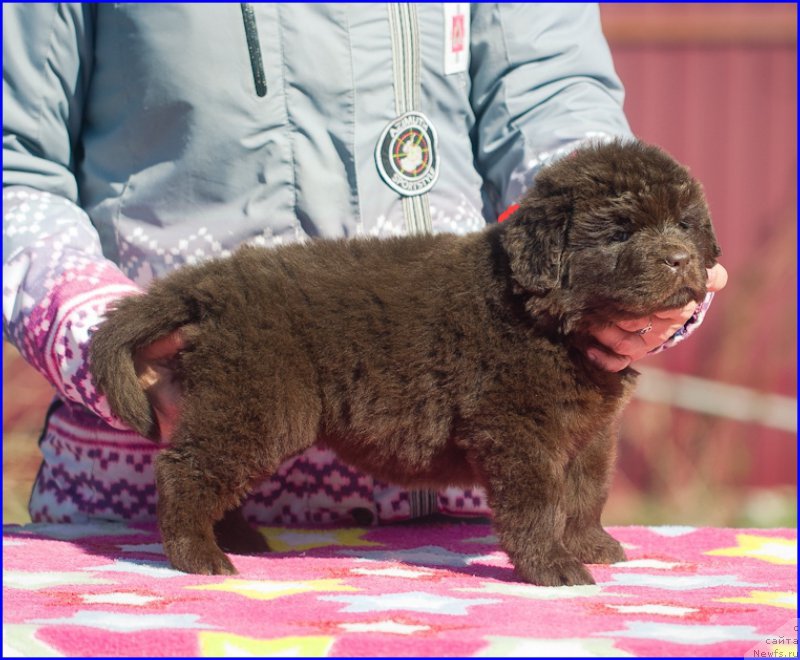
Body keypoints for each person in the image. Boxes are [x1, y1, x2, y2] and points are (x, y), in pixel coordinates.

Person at [3, 4, 726, 527]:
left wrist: (632, 276)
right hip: (140, 498)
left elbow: (556, 104)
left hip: (452, 525)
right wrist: (101, 335)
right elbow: (15, 167)